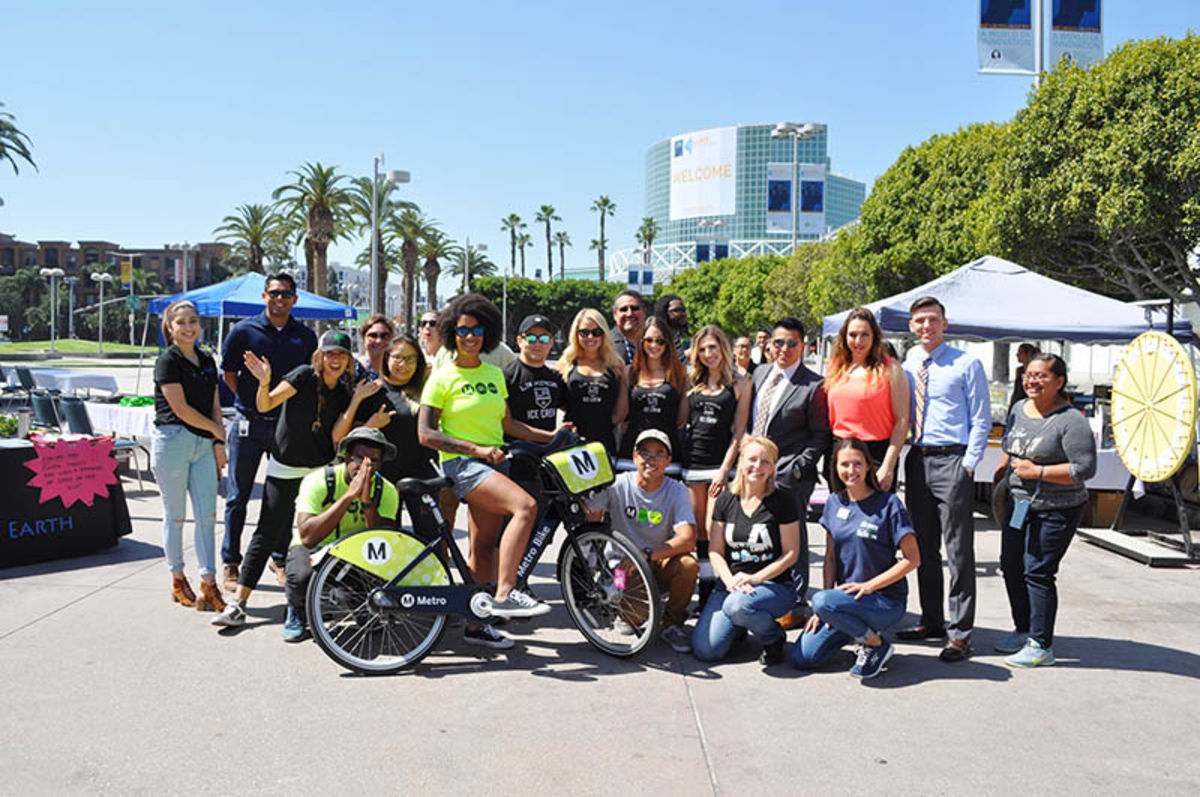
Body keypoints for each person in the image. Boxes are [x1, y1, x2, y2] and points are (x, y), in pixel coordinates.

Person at [418, 293, 560, 649]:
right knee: (525, 507)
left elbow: (509, 425)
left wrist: (553, 436)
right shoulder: (441, 375)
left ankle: (476, 625)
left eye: (478, 330)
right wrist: (475, 449)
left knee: (482, 547)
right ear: (452, 333)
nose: (471, 336)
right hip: (464, 466)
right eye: (463, 330)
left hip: (496, 464)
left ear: (488, 333)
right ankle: (506, 591)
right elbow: (425, 434)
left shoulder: (495, 374)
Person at [212, 330, 354, 632]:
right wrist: (264, 382)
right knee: (267, 532)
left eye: (341, 355)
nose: (335, 360)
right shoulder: (303, 376)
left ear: (348, 360)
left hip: (318, 472)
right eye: (330, 354)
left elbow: (337, 436)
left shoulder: (343, 391)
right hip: (285, 467)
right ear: (320, 355)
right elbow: (265, 405)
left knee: (314, 540)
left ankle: (304, 605)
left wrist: (358, 401)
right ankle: (238, 603)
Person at [897, 296, 991, 663]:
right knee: (923, 548)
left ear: (944, 324)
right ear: (911, 326)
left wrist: (968, 464)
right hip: (917, 460)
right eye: (919, 321)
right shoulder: (908, 365)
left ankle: (960, 633)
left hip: (953, 459)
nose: (926, 327)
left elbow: (981, 418)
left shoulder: (967, 364)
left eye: (932, 320)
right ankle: (932, 619)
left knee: (958, 551)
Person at [993, 353, 1096, 668]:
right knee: (1011, 566)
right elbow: (1010, 450)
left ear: (1059, 382)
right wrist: (1002, 477)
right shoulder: (1017, 410)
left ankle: (1041, 645)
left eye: (1041, 376)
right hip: (1019, 504)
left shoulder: (1071, 420)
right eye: (1028, 375)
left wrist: (1038, 473)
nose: (1032, 381)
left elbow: (1085, 468)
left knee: (1037, 571)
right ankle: (1023, 629)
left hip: (1057, 508)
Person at [790, 438, 921, 679]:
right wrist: (823, 609)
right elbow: (829, 558)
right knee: (803, 658)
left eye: (857, 464)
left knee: (821, 600)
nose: (851, 471)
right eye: (845, 465)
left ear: (869, 466)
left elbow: (912, 559)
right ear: (836, 469)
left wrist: (869, 586)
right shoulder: (833, 502)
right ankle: (855, 630)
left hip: (884, 601)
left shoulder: (889, 504)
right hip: (845, 602)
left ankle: (874, 644)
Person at [219, 273, 317, 590]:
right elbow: (229, 373)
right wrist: (251, 401)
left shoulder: (305, 337)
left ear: (295, 299)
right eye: (275, 292)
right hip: (248, 425)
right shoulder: (242, 331)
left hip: (286, 429)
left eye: (287, 293)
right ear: (264, 296)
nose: (280, 298)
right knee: (238, 496)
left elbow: (307, 381)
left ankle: (278, 557)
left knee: (284, 499)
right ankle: (231, 562)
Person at [283, 427, 401, 642]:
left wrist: (366, 502)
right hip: (315, 546)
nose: (366, 467)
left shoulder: (387, 490)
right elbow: (309, 537)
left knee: (384, 573)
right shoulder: (318, 481)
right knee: (302, 576)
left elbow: (383, 540)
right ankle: (296, 609)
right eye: (360, 459)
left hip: (355, 551)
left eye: (374, 461)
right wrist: (347, 497)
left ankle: (361, 605)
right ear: (346, 457)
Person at [691, 437, 798, 665]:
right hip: (732, 586)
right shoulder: (725, 501)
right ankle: (740, 623)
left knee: (737, 605)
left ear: (772, 468)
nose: (757, 466)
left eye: (765, 462)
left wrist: (755, 577)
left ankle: (772, 637)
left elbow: (791, 554)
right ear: (740, 462)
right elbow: (715, 551)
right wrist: (730, 581)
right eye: (752, 459)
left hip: (773, 586)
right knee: (706, 650)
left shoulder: (783, 501)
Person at [589, 429, 697, 653]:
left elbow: (688, 540)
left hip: (656, 558)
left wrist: (644, 554)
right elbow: (589, 512)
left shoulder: (677, 490)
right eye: (645, 453)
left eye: (659, 454)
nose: (651, 460)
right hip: (620, 566)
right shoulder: (617, 484)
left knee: (688, 564)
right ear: (635, 456)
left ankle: (672, 623)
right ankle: (622, 609)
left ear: (668, 461)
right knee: (633, 619)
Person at [751, 317, 830, 617]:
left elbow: (820, 434)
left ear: (802, 346)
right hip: (756, 470)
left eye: (792, 343)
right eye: (779, 342)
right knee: (762, 531)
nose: (784, 348)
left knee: (792, 534)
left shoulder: (813, 384)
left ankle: (797, 599)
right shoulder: (759, 374)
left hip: (790, 473)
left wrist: (797, 467)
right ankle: (770, 589)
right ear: (770, 344)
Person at [152, 299, 228, 612]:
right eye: (181, 322)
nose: (188, 327)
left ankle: (209, 584)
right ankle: (177, 578)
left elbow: (214, 404)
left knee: (208, 517)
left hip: (203, 445)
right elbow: (181, 410)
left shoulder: (207, 359)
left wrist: (219, 441)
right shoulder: (167, 361)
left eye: (193, 320)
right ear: (170, 328)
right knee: (176, 516)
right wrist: (216, 430)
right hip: (174, 442)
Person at [334, 333, 443, 537]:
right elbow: (345, 438)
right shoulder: (373, 391)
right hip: (383, 479)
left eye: (411, 358)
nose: (404, 364)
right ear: (386, 359)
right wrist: (371, 424)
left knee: (432, 539)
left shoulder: (429, 390)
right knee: (385, 539)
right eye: (398, 357)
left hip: (423, 477)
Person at [683, 326, 751, 594]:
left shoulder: (740, 382)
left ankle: (724, 588)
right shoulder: (692, 382)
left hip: (720, 467)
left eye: (712, 347)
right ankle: (706, 589)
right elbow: (682, 421)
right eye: (702, 349)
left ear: (723, 347)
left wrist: (724, 471)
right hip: (691, 465)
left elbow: (739, 431)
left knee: (715, 531)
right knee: (697, 531)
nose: (708, 354)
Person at [824, 307, 910, 491]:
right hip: (840, 453)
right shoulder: (836, 368)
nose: (858, 341)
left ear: (874, 337)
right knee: (841, 516)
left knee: (874, 518)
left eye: (864, 335)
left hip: (876, 455)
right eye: (852, 334)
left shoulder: (891, 369)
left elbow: (902, 420)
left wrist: (888, 465)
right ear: (844, 337)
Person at [503, 313, 566, 495]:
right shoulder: (507, 376)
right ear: (520, 340)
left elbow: (570, 407)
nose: (538, 343)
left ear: (551, 342)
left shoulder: (555, 378)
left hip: (547, 462)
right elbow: (507, 424)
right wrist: (551, 437)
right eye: (531, 337)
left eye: (544, 338)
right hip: (516, 462)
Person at [558, 308, 628, 459]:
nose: (590, 337)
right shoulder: (566, 363)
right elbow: (560, 401)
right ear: (576, 334)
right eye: (584, 332)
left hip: (605, 442)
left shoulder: (616, 364)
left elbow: (621, 408)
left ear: (604, 334)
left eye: (596, 332)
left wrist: (609, 422)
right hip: (571, 443)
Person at [620, 315, 688, 459]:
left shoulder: (680, 373)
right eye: (649, 340)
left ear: (668, 343)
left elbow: (681, 420)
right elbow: (620, 414)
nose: (654, 345)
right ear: (641, 342)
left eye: (660, 341)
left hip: (667, 449)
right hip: (634, 448)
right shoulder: (629, 372)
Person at [354, 313, 395, 382]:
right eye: (373, 335)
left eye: (385, 336)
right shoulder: (353, 370)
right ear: (364, 339)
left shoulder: (398, 370)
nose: (379, 341)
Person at [611, 289, 646, 365]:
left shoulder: (655, 341)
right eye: (623, 309)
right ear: (614, 314)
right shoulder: (606, 343)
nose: (629, 314)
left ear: (644, 311)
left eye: (634, 308)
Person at [654, 292, 690, 360]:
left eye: (684, 310)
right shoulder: (659, 336)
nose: (683, 314)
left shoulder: (675, 333)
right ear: (664, 312)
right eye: (677, 310)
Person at [1008, 342, 1040, 411]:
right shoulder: (1019, 370)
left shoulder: (1036, 370)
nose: (1017, 355)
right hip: (1018, 402)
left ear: (1028, 354)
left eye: (1020, 352)